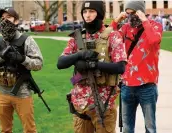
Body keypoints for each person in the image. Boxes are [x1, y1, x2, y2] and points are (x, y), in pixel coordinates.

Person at [57, 1, 127, 133]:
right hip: (81, 104)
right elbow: (61, 63)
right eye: (85, 12)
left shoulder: (113, 36)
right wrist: (79, 55)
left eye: (92, 11)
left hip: (104, 104)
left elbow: (120, 67)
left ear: (99, 13)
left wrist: (93, 65)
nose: (87, 15)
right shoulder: (77, 37)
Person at [0, 8, 43, 133]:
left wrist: (22, 59)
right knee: (5, 130)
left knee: (30, 130)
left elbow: (38, 64)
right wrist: (0, 57)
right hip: (1, 93)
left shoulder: (27, 40)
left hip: (22, 93)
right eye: (2, 18)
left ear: (16, 21)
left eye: (8, 17)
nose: (4, 21)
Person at [110, 1, 163, 133]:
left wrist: (145, 21)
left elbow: (154, 40)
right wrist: (116, 21)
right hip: (127, 85)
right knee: (127, 128)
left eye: (133, 13)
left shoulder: (155, 26)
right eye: (127, 14)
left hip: (147, 86)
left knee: (150, 128)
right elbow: (109, 38)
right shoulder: (126, 28)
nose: (130, 17)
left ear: (141, 12)